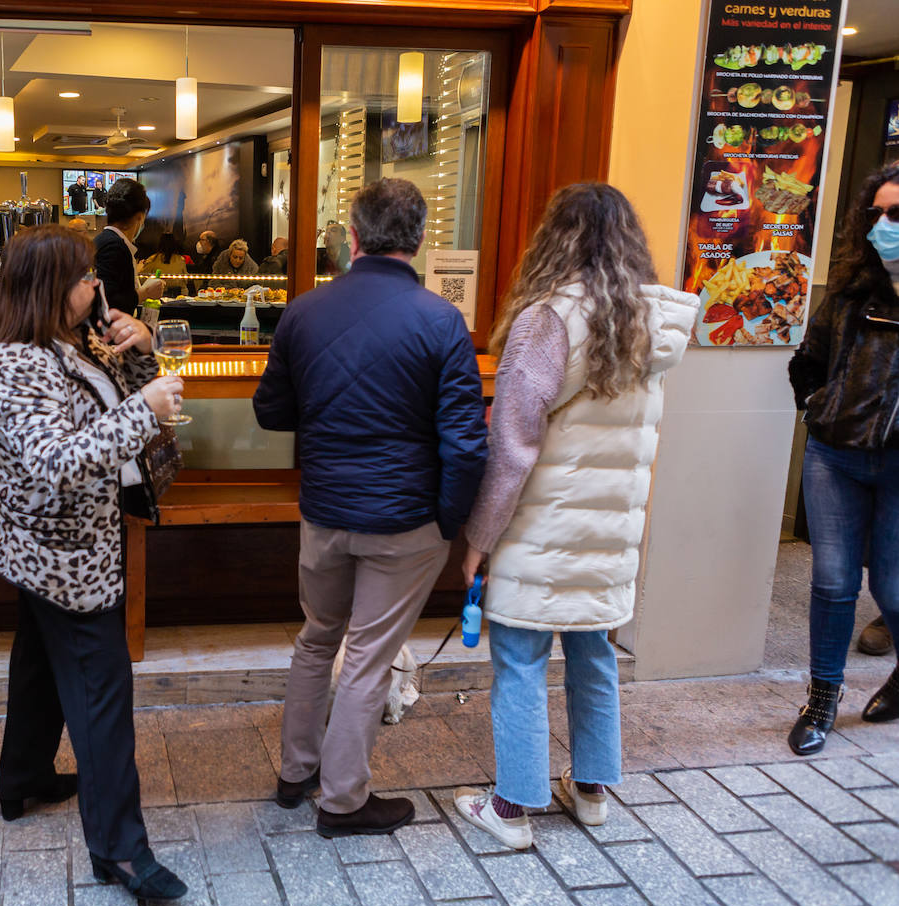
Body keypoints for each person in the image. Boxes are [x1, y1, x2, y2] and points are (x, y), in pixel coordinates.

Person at [454, 183, 696, 849]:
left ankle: (509, 811)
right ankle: (591, 792)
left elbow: (511, 449)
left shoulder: (549, 319)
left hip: (541, 530)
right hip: (611, 533)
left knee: (523, 660)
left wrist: (478, 540)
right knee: (594, 655)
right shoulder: (651, 323)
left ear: (553, 239)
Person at [254, 178, 487, 837]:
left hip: (325, 509)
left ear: (351, 237)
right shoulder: (442, 320)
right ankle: (344, 801)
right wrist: (449, 519)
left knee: (316, 637)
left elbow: (271, 411)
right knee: (367, 656)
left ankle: (294, 774)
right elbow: (467, 444)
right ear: (418, 241)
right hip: (404, 518)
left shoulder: (304, 312)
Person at [0, 224, 187, 902]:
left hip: (56, 547)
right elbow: (54, 463)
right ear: (51, 287)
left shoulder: (61, 343)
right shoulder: (14, 363)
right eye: (85, 277)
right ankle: (121, 852)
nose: (97, 286)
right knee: (103, 700)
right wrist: (145, 411)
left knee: (39, 668)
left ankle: (25, 780)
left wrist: (140, 351)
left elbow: (115, 404)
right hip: (65, 555)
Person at [785, 162, 899, 755]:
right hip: (835, 458)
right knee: (832, 582)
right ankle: (823, 698)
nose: (884, 226)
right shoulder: (851, 292)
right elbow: (805, 362)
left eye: (897, 215)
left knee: (893, 587)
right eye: (876, 214)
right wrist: (817, 405)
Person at [94, 178, 164, 313]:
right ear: (139, 217)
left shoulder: (103, 241)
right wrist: (144, 292)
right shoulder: (114, 247)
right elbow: (107, 302)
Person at [140, 232, 191, 297]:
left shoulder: (153, 259)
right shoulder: (180, 259)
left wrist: (139, 267)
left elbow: (142, 279)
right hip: (179, 296)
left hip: (158, 295)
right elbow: (185, 280)